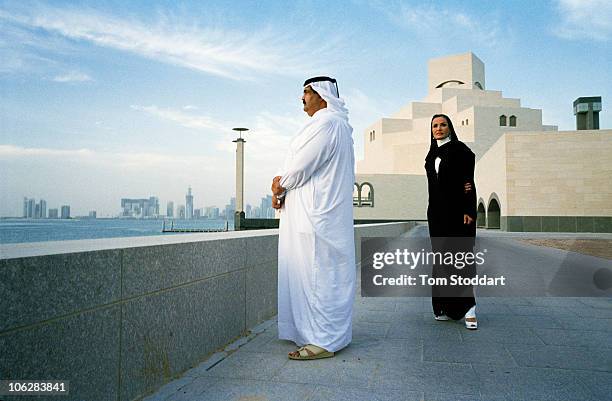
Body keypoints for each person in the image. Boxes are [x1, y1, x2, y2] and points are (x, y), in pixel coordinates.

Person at [271, 76, 356, 360]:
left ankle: (322, 340)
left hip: (315, 216)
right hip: (321, 213)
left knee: (317, 275)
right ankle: (322, 334)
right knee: (322, 274)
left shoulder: (327, 123)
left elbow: (300, 167)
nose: (302, 98)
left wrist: (279, 184)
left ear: (323, 95)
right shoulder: (337, 125)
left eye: (307, 92)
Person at [424, 114, 478, 329]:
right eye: (435, 125)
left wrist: (468, 209)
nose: (438, 128)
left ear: (450, 127)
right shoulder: (431, 154)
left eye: (443, 125)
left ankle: (469, 308)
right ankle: (443, 306)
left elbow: (468, 182)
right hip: (436, 214)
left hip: (457, 213)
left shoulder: (460, 150)